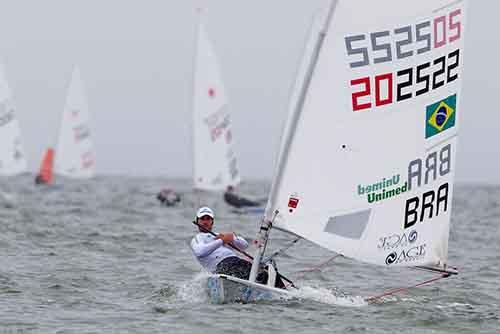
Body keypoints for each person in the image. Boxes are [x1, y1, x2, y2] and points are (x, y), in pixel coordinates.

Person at [190, 206, 285, 289]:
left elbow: (244, 245)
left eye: (208, 219)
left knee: (266, 271)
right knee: (260, 275)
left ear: (212, 222)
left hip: (236, 262)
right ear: (197, 220)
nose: (205, 222)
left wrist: (232, 239)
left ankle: (286, 293)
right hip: (222, 267)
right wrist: (221, 241)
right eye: (202, 219)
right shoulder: (197, 239)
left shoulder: (219, 235)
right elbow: (200, 252)